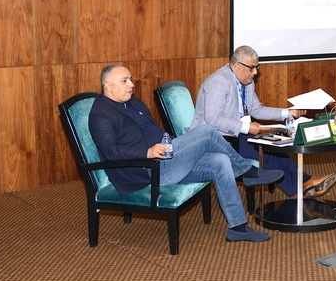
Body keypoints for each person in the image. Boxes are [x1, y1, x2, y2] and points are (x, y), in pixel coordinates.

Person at [88, 63, 282, 243]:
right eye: (124, 81)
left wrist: (175, 145)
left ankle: (237, 227)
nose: (131, 84)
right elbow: (110, 151)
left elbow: (153, 132)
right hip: (149, 170)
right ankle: (248, 172)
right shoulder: (101, 113)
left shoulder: (132, 103)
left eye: (130, 79)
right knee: (206, 131)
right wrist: (147, 152)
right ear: (108, 86)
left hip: (167, 157)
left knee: (221, 160)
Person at [193, 45, 336, 198]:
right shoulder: (219, 82)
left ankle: (305, 183)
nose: (255, 72)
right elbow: (213, 119)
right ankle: (305, 184)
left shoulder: (247, 82)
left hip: (236, 134)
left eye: (257, 67)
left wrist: (288, 112)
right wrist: (246, 127)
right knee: (264, 151)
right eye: (251, 68)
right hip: (215, 139)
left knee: (273, 146)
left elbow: (256, 109)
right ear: (236, 66)